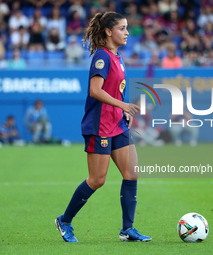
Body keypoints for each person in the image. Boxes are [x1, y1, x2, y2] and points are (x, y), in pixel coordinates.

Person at [54, 12, 151, 243]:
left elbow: (118, 89)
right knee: (97, 180)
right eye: (122, 28)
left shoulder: (118, 56)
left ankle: (127, 229)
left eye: (127, 28)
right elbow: (95, 90)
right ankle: (64, 221)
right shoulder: (102, 56)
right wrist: (124, 105)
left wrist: (124, 112)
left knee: (132, 173)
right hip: (100, 126)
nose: (127, 32)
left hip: (117, 124)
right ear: (108, 31)